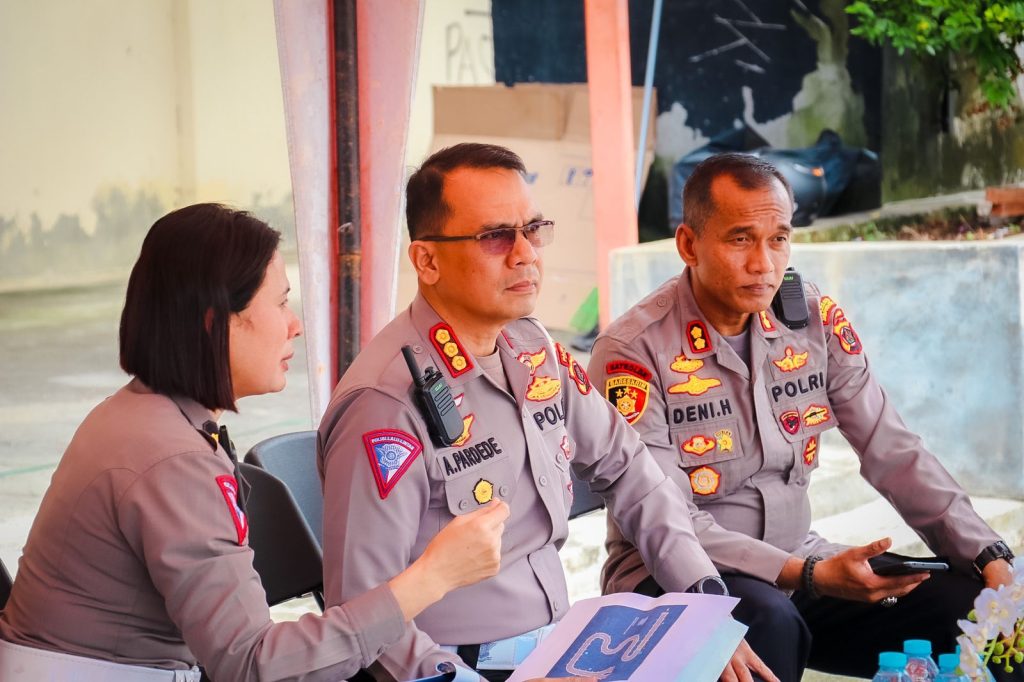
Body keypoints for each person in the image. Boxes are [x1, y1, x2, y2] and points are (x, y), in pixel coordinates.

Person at [317, 143, 775, 682]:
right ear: (427, 261)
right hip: (459, 664)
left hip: (560, 646)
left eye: (532, 230)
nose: (525, 254)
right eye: (495, 236)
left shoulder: (531, 349)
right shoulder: (386, 403)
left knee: (755, 639)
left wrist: (702, 603)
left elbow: (631, 470)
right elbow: (367, 614)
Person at [0, 203, 510, 682]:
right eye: (281, 302)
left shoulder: (146, 416)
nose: (295, 326)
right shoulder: (170, 458)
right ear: (214, 322)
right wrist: (432, 577)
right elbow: (251, 664)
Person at [588, 153, 1020, 681]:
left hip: (802, 565)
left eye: (778, 239)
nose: (763, 264)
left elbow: (892, 449)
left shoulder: (812, 320)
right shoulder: (634, 351)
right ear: (688, 245)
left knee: (982, 613)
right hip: (677, 578)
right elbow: (664, 517)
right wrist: (807, 574)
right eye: (740, 239)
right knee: (767, 620)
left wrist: (987, 553)